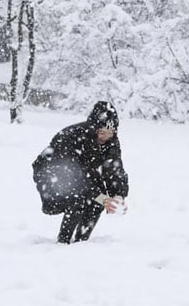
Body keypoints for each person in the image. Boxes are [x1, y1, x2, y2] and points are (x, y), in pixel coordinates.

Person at [32, 101, 129, 244]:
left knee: (97, 201)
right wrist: (102, 198)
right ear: (94, 128)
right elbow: (75, 179)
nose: (105, 137)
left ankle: (81, 242)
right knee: (78, 198)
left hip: (82, 178)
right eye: (102, 132)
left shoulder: (111, 141)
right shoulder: (72, 137)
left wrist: (118, 195)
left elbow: (115, 169)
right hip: (51, 175)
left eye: (110, 133)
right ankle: (63, 242)